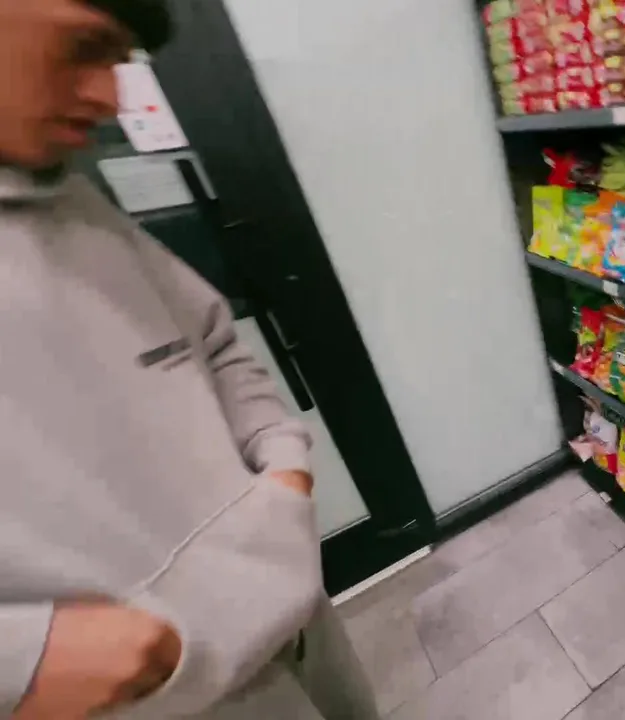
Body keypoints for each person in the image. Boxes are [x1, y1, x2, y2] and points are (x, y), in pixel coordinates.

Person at [0, 1, 378, 717]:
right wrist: (21, 659)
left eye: (120, 60)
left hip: (289, 621)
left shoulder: (68, 195)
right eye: (83, 46)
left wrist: (284, 464)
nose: (109, 97)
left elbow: (213, 341)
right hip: (158, 699)